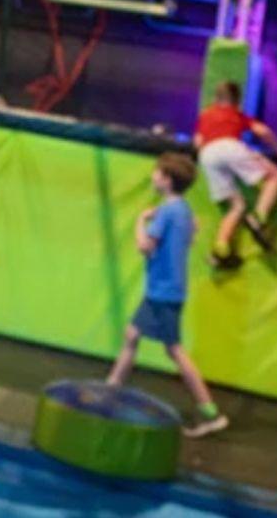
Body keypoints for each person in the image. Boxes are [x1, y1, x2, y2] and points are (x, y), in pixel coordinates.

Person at [106, 152, 228, 439]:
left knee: (174, 350)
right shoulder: (183, 210)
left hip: (163, 292)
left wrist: (140, 220)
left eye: (157, 173)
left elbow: (145, 246)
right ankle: (111, 389)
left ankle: (211, 412)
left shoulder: (168, 211)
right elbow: (190, 237)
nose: (153, 176)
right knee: (132, 334)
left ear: (167, 180)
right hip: (166, 289)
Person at [193, 80, 277, 265]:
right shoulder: (238, 115)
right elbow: (262, 131)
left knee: (236, 206)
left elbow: (197, 142)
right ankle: (258, 219)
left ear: (215, 98)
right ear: (238, 101)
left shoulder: (205, 115)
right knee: (275, 176)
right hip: (230, 146)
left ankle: (221, 249)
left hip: (207, 155)